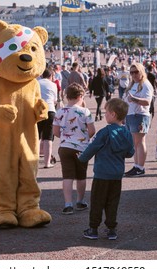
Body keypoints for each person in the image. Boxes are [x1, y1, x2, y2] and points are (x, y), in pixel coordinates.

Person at [79, 98, 134, 240]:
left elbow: (92, 148)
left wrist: (82, 158)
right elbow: (130, 153)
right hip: (117, 174)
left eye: (106, 113)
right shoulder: (127, 132)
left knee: (97, 202)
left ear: (113, 114)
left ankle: (93, 228)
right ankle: (111, 229)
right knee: (112, 202)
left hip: (102, 173)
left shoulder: (104, 132)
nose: (105, 115)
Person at [53, 83, 96, 215]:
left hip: (65, 147)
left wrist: (66, 138)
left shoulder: (60, 111)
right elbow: (92, 130)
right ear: (80, 96)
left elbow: (55, 132)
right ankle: (80, 201)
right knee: (81, 176)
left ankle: (68, 204)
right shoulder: (85, 111)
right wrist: (83, 137)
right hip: (81, 148)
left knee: (67, 176)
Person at [124, 62, 154, 177]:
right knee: (135, 143)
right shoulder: (133, 85)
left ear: (141, 71)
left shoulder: (145, 84)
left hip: (140, 115)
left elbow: (147, 101)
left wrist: (134, 99)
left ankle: (140, 167)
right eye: (131, 72)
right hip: (131, 115)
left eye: (136, 72)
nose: (134, 75)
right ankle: (137, 166)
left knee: (140, 142)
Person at [37, 68, 58, 168]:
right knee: (48, 138)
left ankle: (33, 161)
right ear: (51, 76)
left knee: (36, 137)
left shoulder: (37, 83)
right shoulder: (53, 85)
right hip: (50, 110)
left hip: (39, 110)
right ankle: (47, 162)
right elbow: (55, 100)